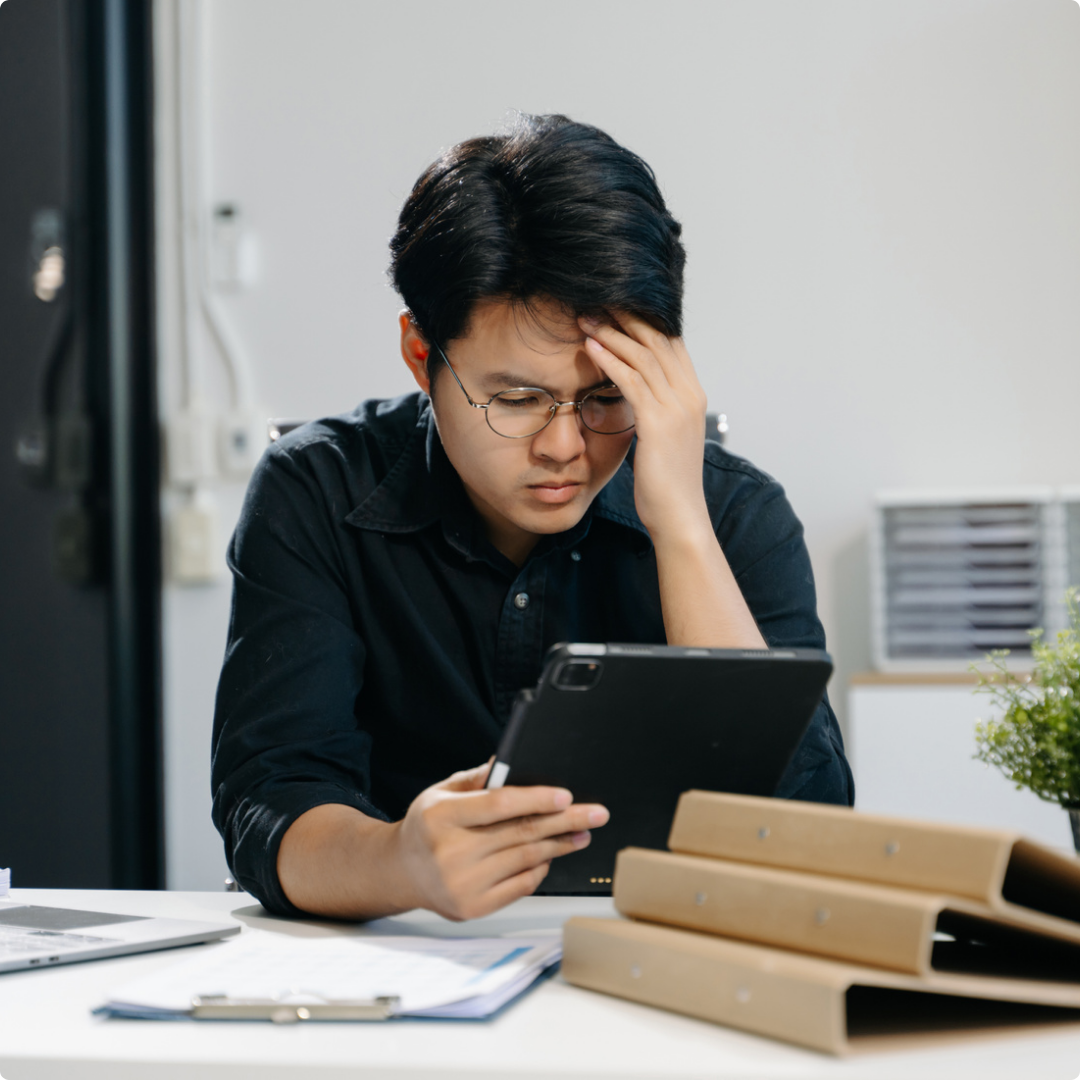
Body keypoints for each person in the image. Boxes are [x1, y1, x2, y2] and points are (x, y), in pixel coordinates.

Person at [211, 114, 853, 922]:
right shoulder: (317, 490)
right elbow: (267, 801)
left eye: (604, 397)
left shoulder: (733, 512)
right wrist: (400, 859)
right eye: (515, 399)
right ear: (421, 354)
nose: (562, 446)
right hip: (405, 959)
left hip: (664, 969)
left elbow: (810, 838)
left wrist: (682, 525)